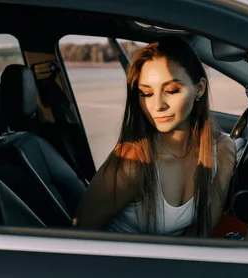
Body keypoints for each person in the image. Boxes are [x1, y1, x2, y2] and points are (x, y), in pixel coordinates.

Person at [73, 36, 237, 237]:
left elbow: (203, 233)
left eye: (171, 90)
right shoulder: (133, 164)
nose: (158, 105)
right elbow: (77, 236)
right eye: (146, 93)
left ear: (200, 88)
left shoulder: (222, 150)